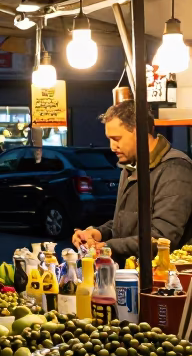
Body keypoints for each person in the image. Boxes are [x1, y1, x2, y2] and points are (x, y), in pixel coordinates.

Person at [72, 100, 192, 260]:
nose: (112, 146)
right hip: (131, 274)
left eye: (117, 138)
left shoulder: (175, 170)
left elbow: (162, 238)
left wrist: (106, 248)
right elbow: (126, 223)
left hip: (164, 279)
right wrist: (98, 232)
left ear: (140, 132)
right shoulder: (130, 167)